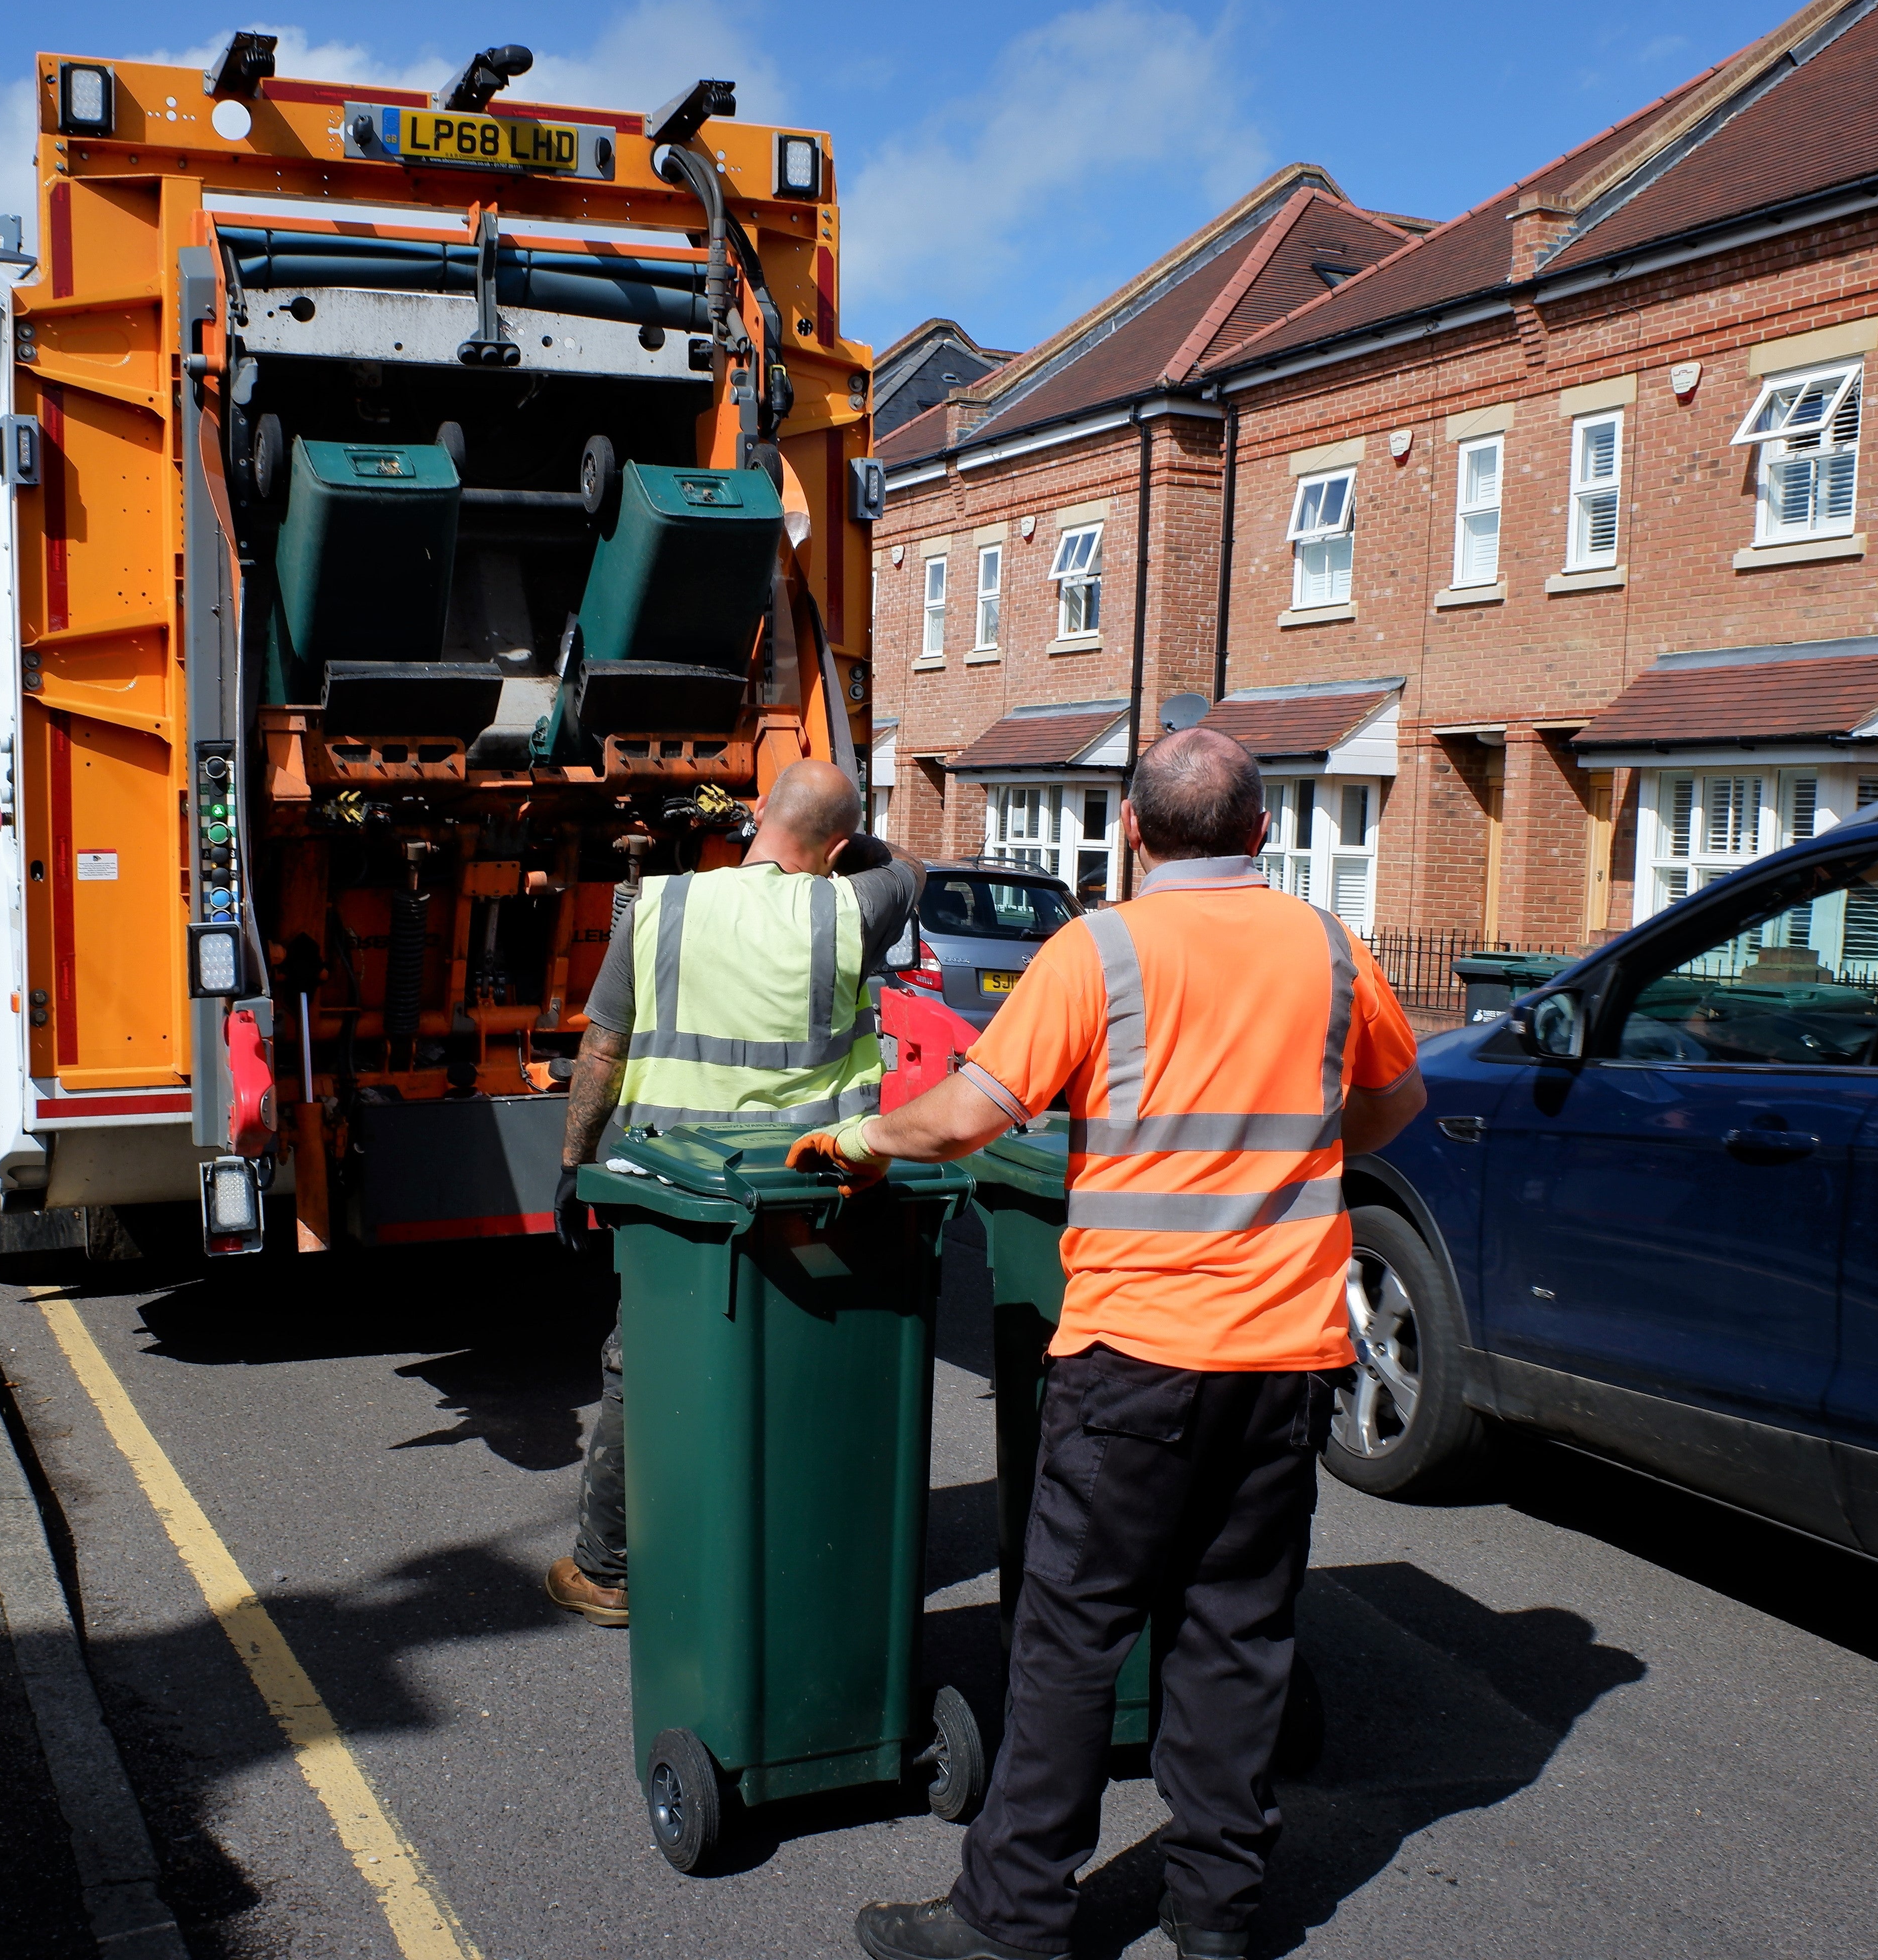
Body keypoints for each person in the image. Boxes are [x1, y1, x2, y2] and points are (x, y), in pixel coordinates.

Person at [815, 728, 1426, 1960]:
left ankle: (1015, 1917)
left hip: (1135, 1356)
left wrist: (861, 1141)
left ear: (1133, 834)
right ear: (1261, 833)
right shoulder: (1328, 949)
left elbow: (968, 1117)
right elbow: (1394, 1102)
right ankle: (1216, 1918)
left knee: (1071, 1639)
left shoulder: (1102, 951)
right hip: (1280, 1363)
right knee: (1239, 1638)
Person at [542, 759, 923, 1626]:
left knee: (649, 1369)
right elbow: (909, 867)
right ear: (834, 846)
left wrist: (575, 1162)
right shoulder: (852, 906)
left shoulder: (660, 905)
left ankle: (610, 1572)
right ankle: (796, 1560)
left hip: (678, 1199)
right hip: (807, 1192)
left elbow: (602, 1049)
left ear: (754, 817)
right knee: (797, 1368)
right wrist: (845, 840)